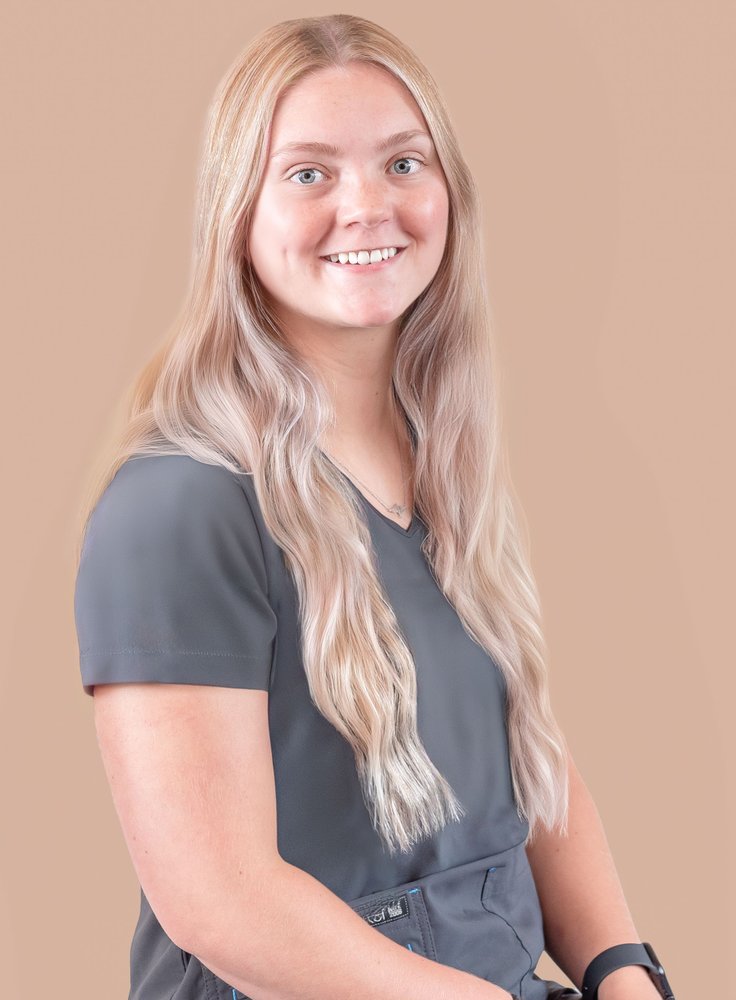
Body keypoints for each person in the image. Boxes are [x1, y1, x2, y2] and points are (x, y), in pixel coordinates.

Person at [73, 14, 675, 1000]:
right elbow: (220, 902)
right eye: (309, 173)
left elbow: (532, 765)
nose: (366, 207)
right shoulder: (177, 509)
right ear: (237, 213)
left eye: (403, 163)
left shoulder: (444, 465)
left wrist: (622, 971)